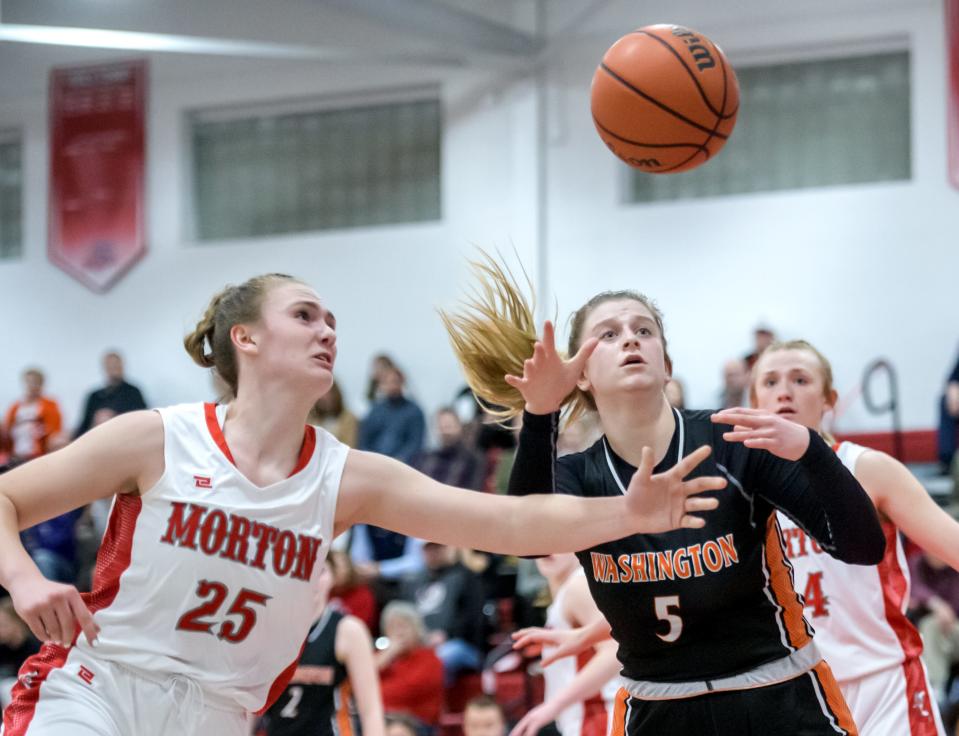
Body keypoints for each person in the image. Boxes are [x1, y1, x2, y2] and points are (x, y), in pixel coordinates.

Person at [0, 272, 720, 736]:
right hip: (99, 687)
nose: (328, 332)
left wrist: (630, 513)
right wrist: (25, 578)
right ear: (244, 337)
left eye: (332, 321)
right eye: (306, 315)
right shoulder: (155, 438)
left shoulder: (346, 477)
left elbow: (505, 521)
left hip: (219, 716)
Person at [441, 256, 885, 736]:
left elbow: (863, 547)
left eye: (644, 330)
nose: (630, 338)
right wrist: (542, 411)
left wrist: (812, 450)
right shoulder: (579, 475)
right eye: (607, 334)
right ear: (582, 375)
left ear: (667, 364)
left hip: (775, 696)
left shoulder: (733, 440)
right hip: (659, 707)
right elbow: (528, 536)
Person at [750, 339, 958, 734]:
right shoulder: (744, 487)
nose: (784, 391)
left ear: (829, 399)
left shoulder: (867, 468)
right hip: (795, 692)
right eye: (771, 381)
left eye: (800, 379)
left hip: (884, 683)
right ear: (755, 399)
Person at [261, 560, 384, 736]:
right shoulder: (270, 630)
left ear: (333, 578)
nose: (312, 580)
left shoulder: (348, 630)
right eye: (304, 571)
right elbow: (248, 710)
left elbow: (371, 709)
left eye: (320, 572)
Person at [511, 554, 619, 736]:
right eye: (543, 538)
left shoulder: (578, 587)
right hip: (587, 720)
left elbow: (614, 651)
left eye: (557, 538)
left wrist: (552, 706)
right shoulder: (565, 592)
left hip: (600, 718)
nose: (548, 549)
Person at [402, 541, 485, 684]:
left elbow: (474, 618)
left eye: (437, 547)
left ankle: (434, 704)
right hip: (421, 644)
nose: (433, 552)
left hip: (462, 645)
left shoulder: (466, 577)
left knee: (438, 659)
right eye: (428, 548)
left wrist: (447, 635)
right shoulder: (413, 581)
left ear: (449, 548)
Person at [376, 601, 445, 729]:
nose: (399, 633)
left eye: (403, 626)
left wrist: (375, 695)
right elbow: (359, 682)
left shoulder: (430, 659)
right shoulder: (382, 658)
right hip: (383, 720)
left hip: (416, 724)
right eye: (393, 627)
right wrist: (387, 655)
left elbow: (405, 692)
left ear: (417, 630)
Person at [73, 352, 147, 438]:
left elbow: (143, 420)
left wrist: (114, 418)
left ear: (122, 366)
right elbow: (84, 425)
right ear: (105, 368)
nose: (113, 369)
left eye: (116, 365)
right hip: (98, 440)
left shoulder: (133, 392)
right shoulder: (94, 396)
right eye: (110, 366)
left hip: (125, 439)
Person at [3, 369, 62, 465]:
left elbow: (55, 430)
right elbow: (7, 431)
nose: (31, 386)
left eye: (35, 383)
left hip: (39, 454)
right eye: (28, 382)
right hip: (17, 453)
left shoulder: (49, 405)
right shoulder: (15, 407)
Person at [309, 381, 359, 448]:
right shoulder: (310, 417)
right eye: (322, 393)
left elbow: (350, 446)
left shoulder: (349, 419)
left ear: (336, 394)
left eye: (328, 393)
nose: (324, 397)